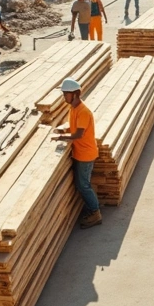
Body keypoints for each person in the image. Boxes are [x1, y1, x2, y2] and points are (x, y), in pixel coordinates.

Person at [53, 79, 103, 229]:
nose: (64, 97)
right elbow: (74, 128)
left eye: (65, 94)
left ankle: (95, 213)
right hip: (80, 152)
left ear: (74, 94)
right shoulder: (73, 109)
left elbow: (79, 134)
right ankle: (91, 209)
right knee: (81, 184)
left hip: (86, 154)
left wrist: (61, 137)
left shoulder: (83, 112)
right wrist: (63, 130)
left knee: (84, 186)